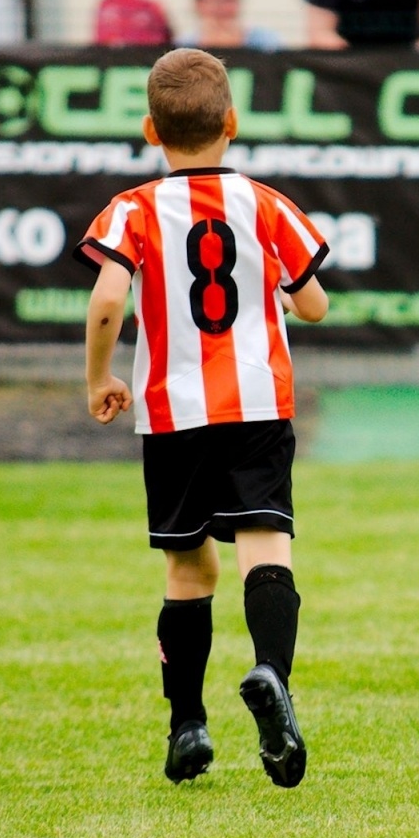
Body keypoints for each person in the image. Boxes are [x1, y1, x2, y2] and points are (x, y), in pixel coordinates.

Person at [74, 48, 330, 787]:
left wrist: (98, 378)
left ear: (151, 131)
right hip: (255, 402)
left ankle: (187, 724)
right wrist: (281, 298)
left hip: (173, 411)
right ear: (232, 122)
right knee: (265, 544)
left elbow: (106, 301)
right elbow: (314, 302)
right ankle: (272, 673)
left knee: (188, 568)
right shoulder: (266, 204)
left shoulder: (134, 209)